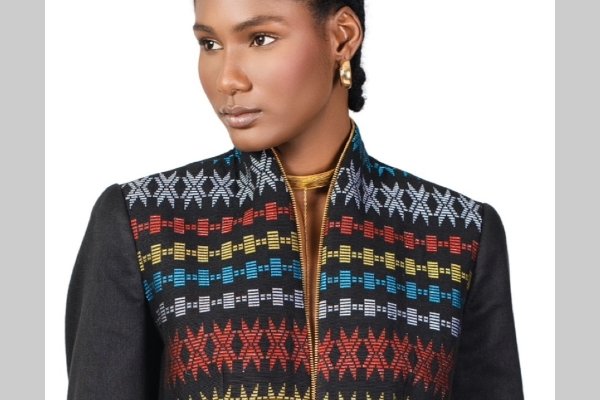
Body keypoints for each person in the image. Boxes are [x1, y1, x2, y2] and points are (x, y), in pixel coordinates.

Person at [65, 0, 524, 399]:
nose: (227, 79)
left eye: (260, 39)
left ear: (342, 37)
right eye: (210, 44)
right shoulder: (146, 222)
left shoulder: (456, 231)